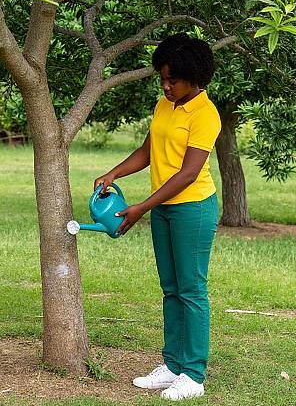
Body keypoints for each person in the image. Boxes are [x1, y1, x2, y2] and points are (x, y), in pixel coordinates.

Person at [94, 33, 221, 401]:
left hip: (192, 208)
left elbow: (188, 173)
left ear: (194, 77)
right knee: (170, 288)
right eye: (162, 79)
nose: (165, 86)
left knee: (191, 290)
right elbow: (148, 151)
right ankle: (173, 365)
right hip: (165, 208)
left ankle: (193, 375)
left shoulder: (205, 114)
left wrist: (141, 207)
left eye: (172, 80)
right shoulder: (165, 105)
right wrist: (114, 173)